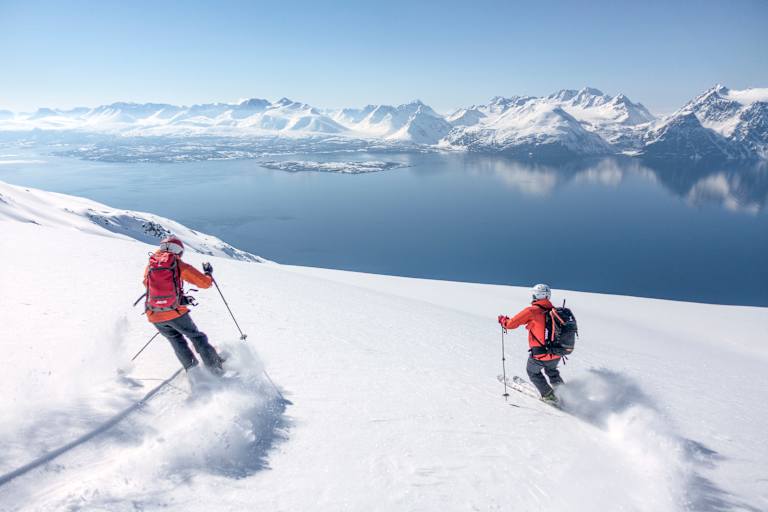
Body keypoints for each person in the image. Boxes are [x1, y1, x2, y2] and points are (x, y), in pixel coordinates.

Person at [143, 235, 224, 374]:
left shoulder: (151, 264)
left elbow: (146, 283)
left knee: (176, 340)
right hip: (174, 311)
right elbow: (204, 283)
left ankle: (193, 371)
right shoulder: (177, 264)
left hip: (153, 313)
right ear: (179, 250)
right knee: (196, 337)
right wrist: (208, 273)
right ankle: (215, 368)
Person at [498, 283, 563, 404]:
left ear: (537, 295)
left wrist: (503, 320)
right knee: (552, 371)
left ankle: (549, 396)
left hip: (540, 353)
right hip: (556, 353)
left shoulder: (533, 311)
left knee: (532, 371)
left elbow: (511, 324)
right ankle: (564, 395)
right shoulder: (555, 312)